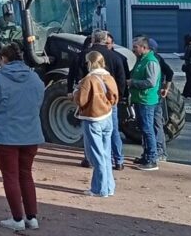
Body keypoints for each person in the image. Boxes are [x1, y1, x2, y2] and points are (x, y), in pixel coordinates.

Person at [0, 43, 43, 231]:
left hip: (6, 134)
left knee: (10, 176)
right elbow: (39, 100)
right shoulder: (35, 78)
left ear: (4, 59)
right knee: (26, 174)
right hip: (31, 134)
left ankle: (17, 218)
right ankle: (32, 217)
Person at [69, 30, 127, 170]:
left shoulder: (84, 55)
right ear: (106, 40)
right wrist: (117, 97)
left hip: (92, 101)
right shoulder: (116, 56)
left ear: (93, 39)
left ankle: (89, 159)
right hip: (109, 102)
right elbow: (122, 80)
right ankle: (118, 160)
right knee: (112, 130)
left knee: (90, 133)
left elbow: (77, 77)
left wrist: (74, 93)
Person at [75, 51, 119, 197]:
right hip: (107, 117)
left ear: (90, 63)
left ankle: (99, 189)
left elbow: (80, 100)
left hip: (93, 118)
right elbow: (115, 97)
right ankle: (109, 187)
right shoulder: (108, 77)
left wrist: (75, 92)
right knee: (106, 154)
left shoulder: (89, 79)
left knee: (96, 155)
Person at [128, 36, 161, 171]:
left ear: (144, 48)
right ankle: (146, 155)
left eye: (136, 47)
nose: (133, 49)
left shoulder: (150, 62)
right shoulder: (142, 60)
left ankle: (152, 158)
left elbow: (150, 82)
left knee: (148, 129)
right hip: (140, 99)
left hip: (146, 100)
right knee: (144, 129)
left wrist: (133, 83)